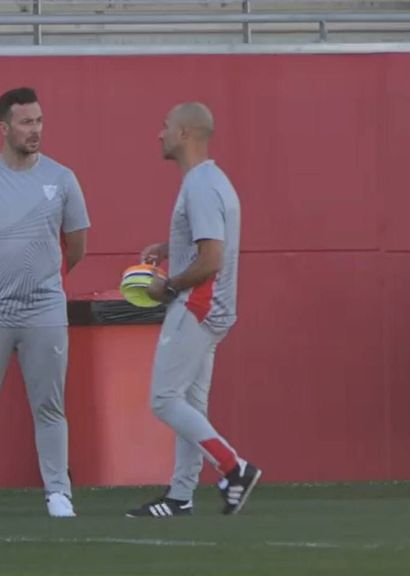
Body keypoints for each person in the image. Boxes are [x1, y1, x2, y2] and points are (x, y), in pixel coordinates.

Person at [0, 87, 90, 520]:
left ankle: (58, 492)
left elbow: (75, 246)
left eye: (39, 121)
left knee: (50, 405)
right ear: (4, 127)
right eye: (26, 122)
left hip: (44, 310)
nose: (35, 130)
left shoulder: (62, 180)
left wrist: (40, 282)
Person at [127, 102, 261, 519]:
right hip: (214, 309)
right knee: (189, 404)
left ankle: (233, 467)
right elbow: (207, 241)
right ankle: (181, 495)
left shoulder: (200, 186)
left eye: (165, 127)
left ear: (185, 133)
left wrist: (166, 285)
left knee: (164, 399)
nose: (159, 134)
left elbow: (211, 259)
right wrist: (170, 248)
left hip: (198, 305)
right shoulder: (212, 181)